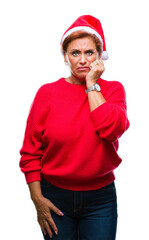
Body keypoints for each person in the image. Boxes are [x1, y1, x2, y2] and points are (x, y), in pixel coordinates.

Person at [19, 15, 130, 240]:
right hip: (54, 196)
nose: (82, 60)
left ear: (99, 56)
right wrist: (37, 200)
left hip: (100, 199)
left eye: (89, 53)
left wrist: (91, 84)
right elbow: (30, 153)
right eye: (75, 53)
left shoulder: (113, 90)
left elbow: (110, 130)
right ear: (65, 58)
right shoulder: (46, 94)